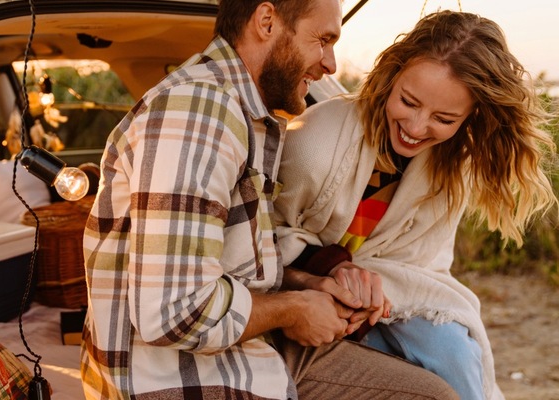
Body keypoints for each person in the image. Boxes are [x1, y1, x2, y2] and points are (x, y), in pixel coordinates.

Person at [80, 0, 460, 399]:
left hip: (240, 348)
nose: (330, 63)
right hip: (179, 376)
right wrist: (293, 309)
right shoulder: (200, 110)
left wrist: (310, 284)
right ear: (266, 22)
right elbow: (173, 312)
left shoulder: (242, 113)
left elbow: (225, 266)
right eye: (323, 40)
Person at [273, 10, 557, 400]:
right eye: (408, 101)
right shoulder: (314, 143)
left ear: (471, 115)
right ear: (392, 75)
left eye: (444, 118)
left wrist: (369, 290)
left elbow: (421, 271)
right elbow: (262, 238)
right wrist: (333, 268)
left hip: (387, 307)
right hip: (306, 296)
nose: (417, 127)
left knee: (454, 350)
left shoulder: (452, 168)